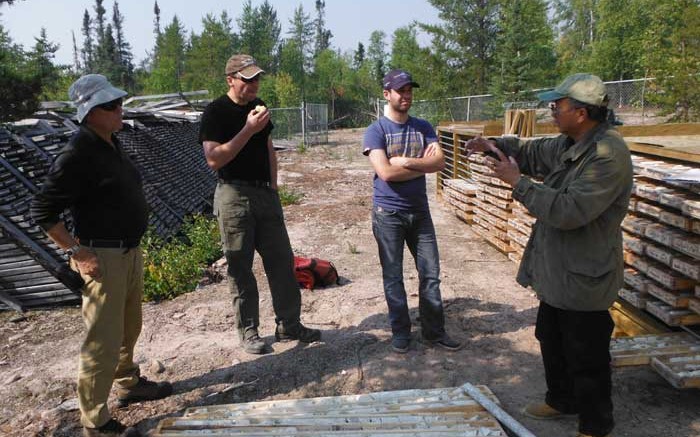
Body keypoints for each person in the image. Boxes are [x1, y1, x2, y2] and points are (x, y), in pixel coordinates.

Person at [465, 73, 633, 437]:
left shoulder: (607, 155)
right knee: (551, 337)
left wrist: (517, 183)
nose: (552, 109)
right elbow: (530, 151)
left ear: (583, 112)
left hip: (585, 274)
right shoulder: (570, 142)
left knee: (586, 354)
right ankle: (562, 400)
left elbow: (569, 211)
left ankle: (595, 424)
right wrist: (494, 144)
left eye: (559, 105)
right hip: (558, 271)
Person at [30, 74, 172, 437]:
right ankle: (95, 420)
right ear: (90, 112)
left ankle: (128, 383)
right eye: (111, 105)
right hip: (102, 258)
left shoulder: (110, 141)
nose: (119, 108)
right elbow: (43, 211)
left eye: (118, 102)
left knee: (128, 327)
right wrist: (77, 252)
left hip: (128, 251)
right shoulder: (77, 153)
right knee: (102, 340)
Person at [199, 54, 320, 355]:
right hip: (233, 194)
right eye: (247, 79)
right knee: (240, 266)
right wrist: (247, 130)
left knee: (281, 261)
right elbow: (214, 159)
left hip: (264, 193)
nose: (254, 84)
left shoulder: (259, 106)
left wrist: (274, 186)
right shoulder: (215, 112)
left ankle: (289, 323)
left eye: (256, 79)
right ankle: (249, 330)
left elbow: (268, 147)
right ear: (230, 79)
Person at [362, 69, 462, 354]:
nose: (406, 96)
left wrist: (406, 161)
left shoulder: (423, 127)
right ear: (387, 94)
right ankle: (401, 333)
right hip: (388, 214)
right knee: (393, 277)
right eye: (400, 91)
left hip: (420, 213)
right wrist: (421, 165)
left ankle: (434, 332)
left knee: (430, 274)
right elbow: (385, 173)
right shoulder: (376, 131)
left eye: (409, 90)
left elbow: (440, 163)